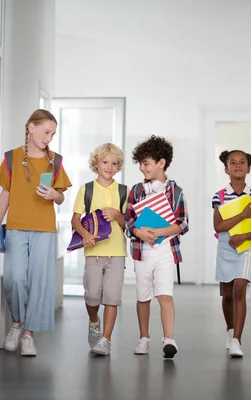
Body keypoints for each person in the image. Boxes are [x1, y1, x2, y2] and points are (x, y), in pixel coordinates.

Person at [0, 109, 72, 357]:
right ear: (31, 128)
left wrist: (54, 195)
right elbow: (6, 192)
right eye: (46, 132)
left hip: (45, 230)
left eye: (53, 134)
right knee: (15, 278)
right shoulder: (11, 158)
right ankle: (17, 323)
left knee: (39, 282)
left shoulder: (55, 161)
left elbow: (61, 197)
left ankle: (28, 335)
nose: (49, 138)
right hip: (16, 227)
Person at [125, 135, 189, 359]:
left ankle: (169, 340)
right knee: (142, 296)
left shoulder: (176, 192)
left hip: (165, 251)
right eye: (140, 164)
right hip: (141, 251)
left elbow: (182, 224)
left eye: (146, 163)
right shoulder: (135, 191)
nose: (142, 168)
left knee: (165, 295)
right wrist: (138, 232)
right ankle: (144, 338)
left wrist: (158, 233)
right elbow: (127, 221)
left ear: (161, 163)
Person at [71, 143, 128, 356]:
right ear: (96, 163)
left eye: (114, 163)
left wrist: (116, 214)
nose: (110, 167)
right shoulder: (86, 189)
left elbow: (128, 224)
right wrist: (85, 235)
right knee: (92, 296)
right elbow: (75, 219)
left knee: (112, 297)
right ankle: (94, 321)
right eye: (105, 162)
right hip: (93, 252)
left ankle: (106, 339)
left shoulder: (123, 191)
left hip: (117, 253)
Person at [212, 149, 251, 357]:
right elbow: (218, 226)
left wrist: (244, 237)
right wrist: (243, 214)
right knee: (227, 294)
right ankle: (230, 330)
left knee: (239, 290)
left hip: (246, 247)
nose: (237, 166)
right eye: (232, 163)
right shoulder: (220, 196)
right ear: (226, 169)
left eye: (242, 162)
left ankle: (237, 340)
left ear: (248, 168)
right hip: (225, 248)